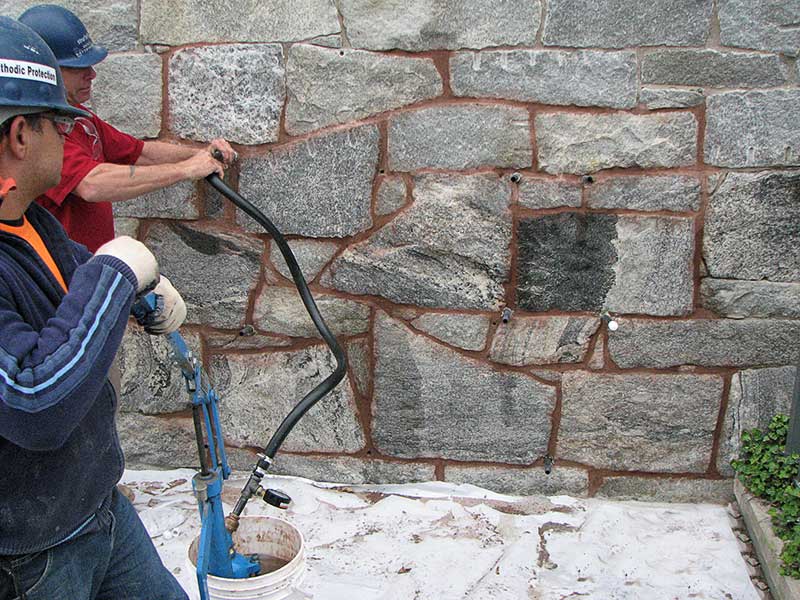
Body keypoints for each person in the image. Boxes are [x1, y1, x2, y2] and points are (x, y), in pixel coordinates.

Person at [0, 16, 189, 600]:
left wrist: (137, 294)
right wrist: (116, 273)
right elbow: (33, 403)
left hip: (96, 508)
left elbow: (73, 273)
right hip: (32, 557)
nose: (71, 135)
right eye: (61, 124)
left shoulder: (26, 219)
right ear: (21, 135)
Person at [17, 4, 237, 252]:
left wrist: (203, 154)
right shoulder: (40, 133)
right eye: (78, 68)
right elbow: (91, 184)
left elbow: (141, 152)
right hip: (64, 277)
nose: (91, 74)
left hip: (89, 268)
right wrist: (185, 169)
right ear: (47, 70)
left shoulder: (81, 119)